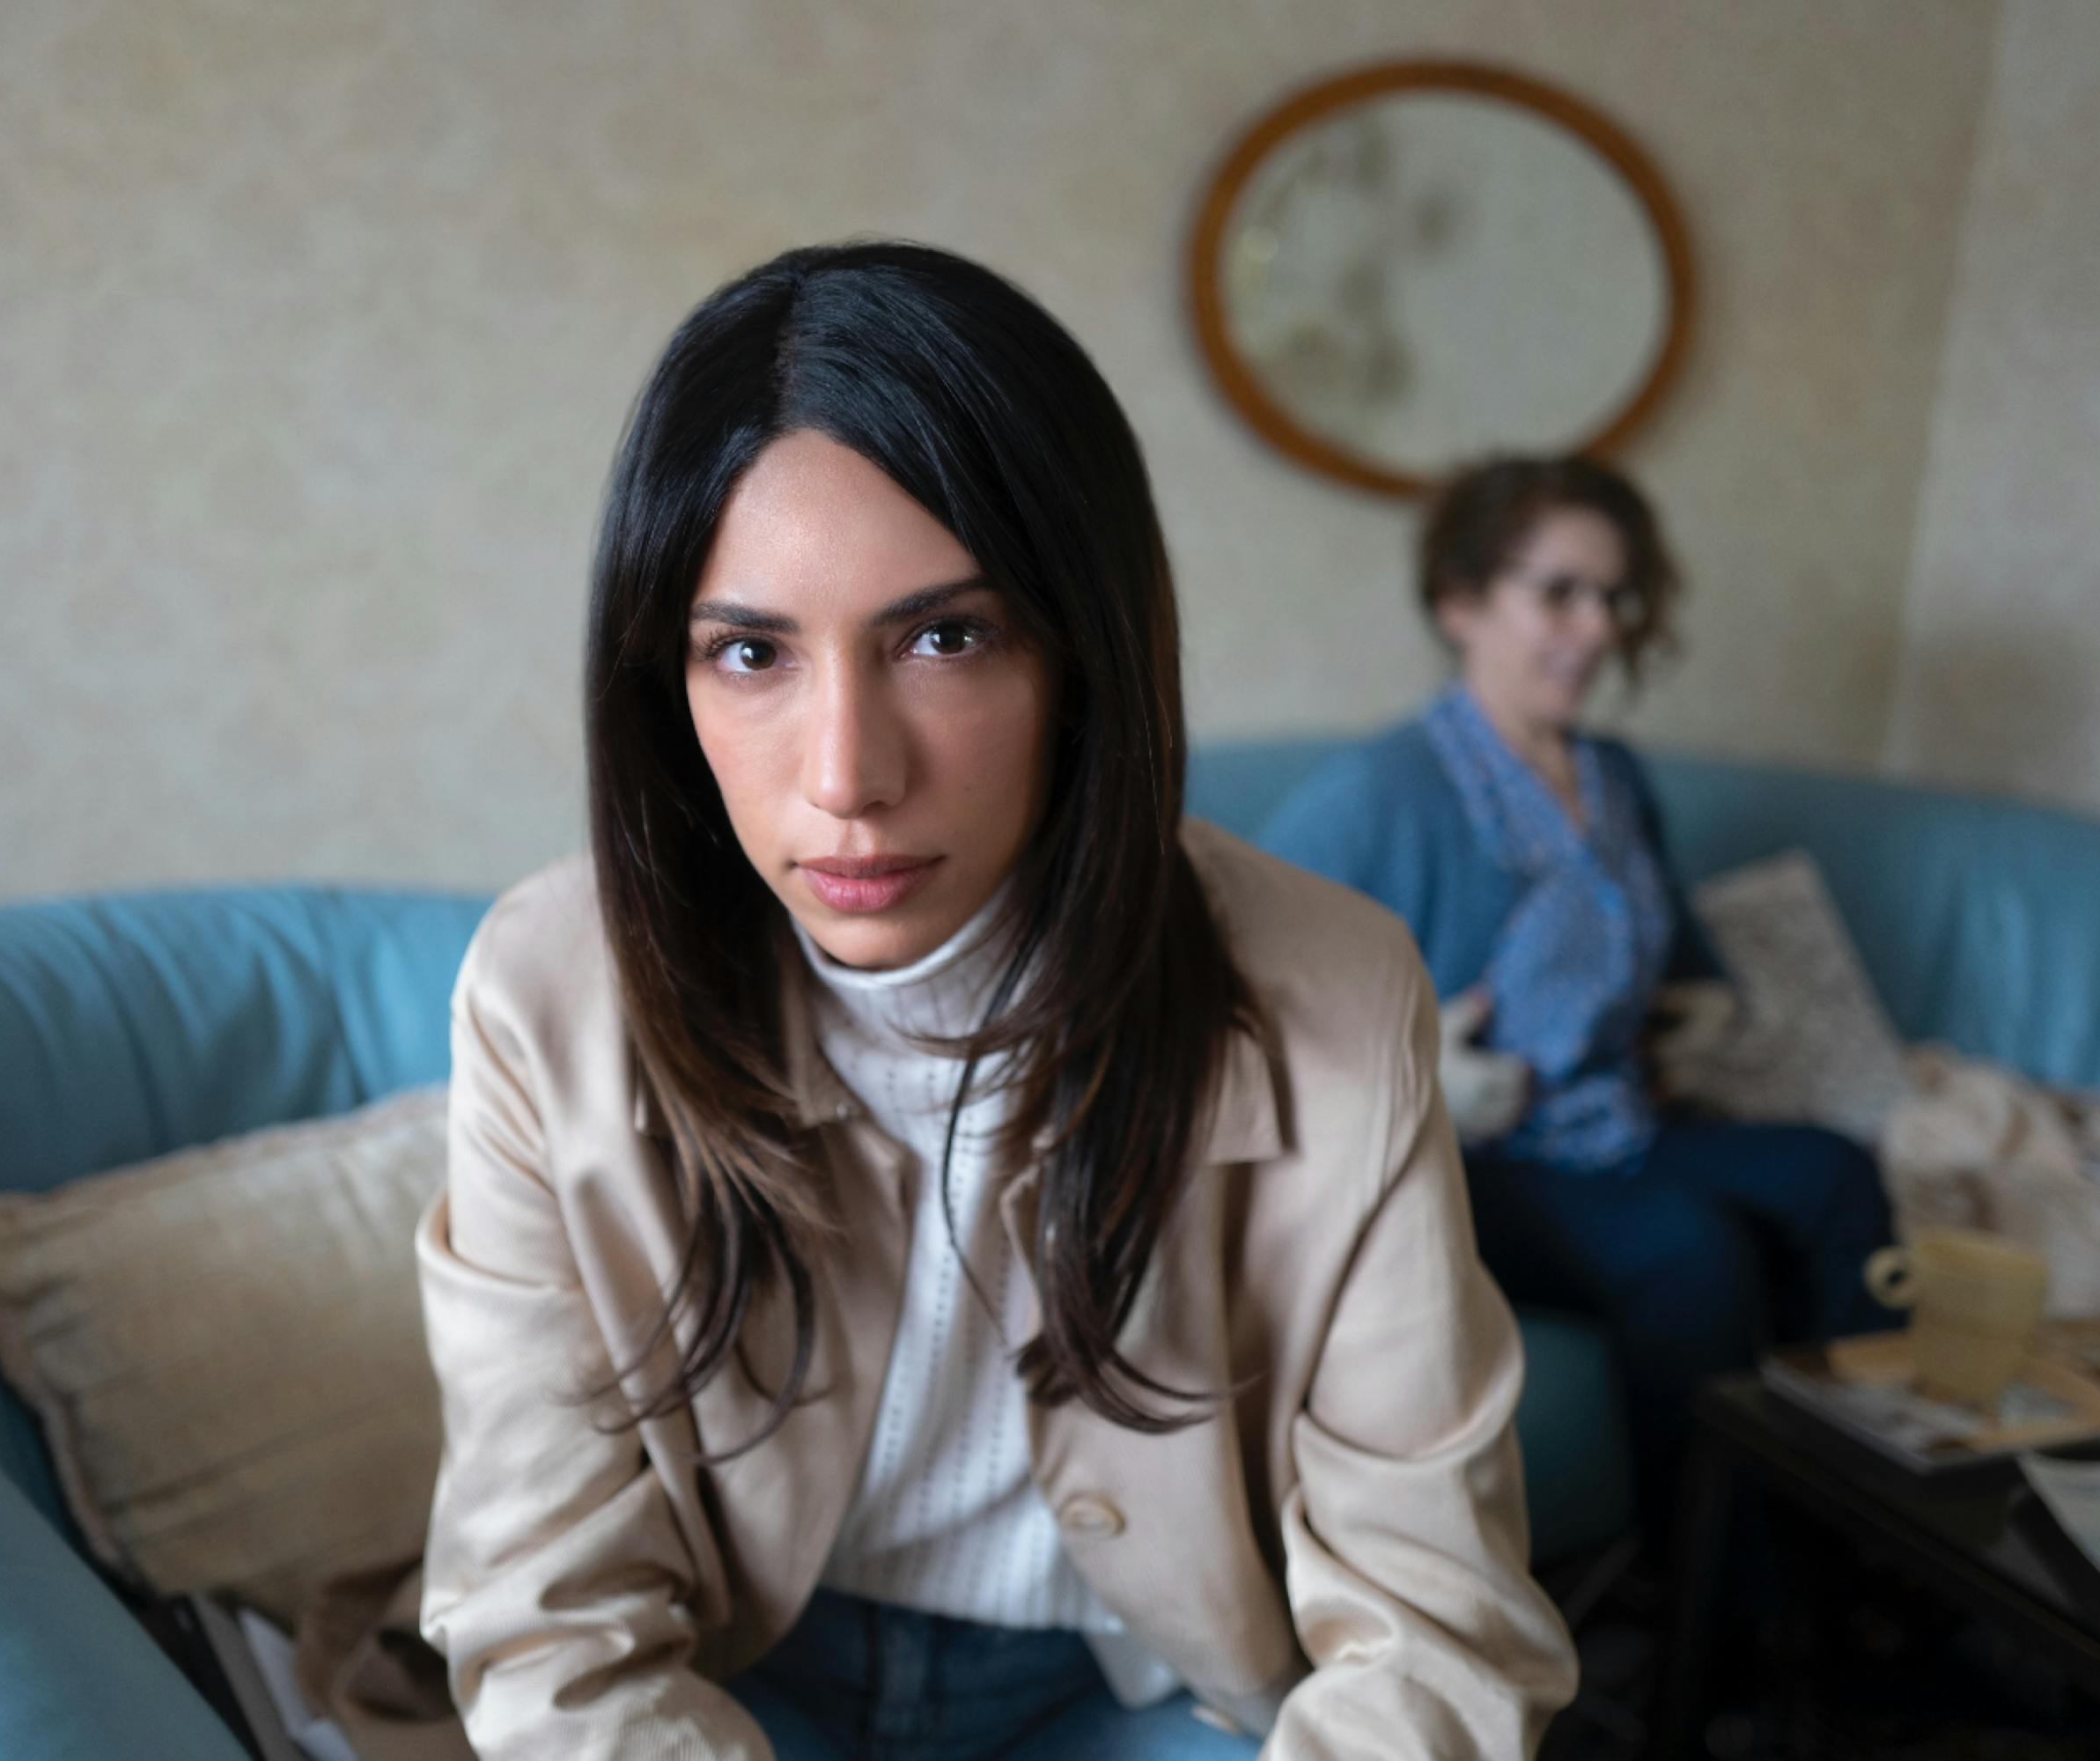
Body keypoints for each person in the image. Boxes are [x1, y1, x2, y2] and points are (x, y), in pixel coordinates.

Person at [413, 244, 1577, 1761]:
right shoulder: (546, 990)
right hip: (735, 1672)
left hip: (1139, 1687)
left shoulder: (1335, 993)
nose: (847, 776)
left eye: (943, 637)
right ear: (667, 682)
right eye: (751, 652)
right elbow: (553, 1625)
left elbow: (1438, 1632)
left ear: (1083, 656)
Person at [1259, 454, 1898, 1550]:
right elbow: (1235, 1000)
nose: (1594, 627)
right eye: (1557, 591)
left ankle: (1868, 1531)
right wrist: (1418, 1078)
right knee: (1684, 1251)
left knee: (1834, 1176)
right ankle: (1713, 1608)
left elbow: (1667, 964)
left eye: (1612, 595)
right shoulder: (1376, 794)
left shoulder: (1612, 775)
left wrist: (1691, 1018)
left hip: (1615, 1125)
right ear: (1460, 603)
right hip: (1472, 1160)